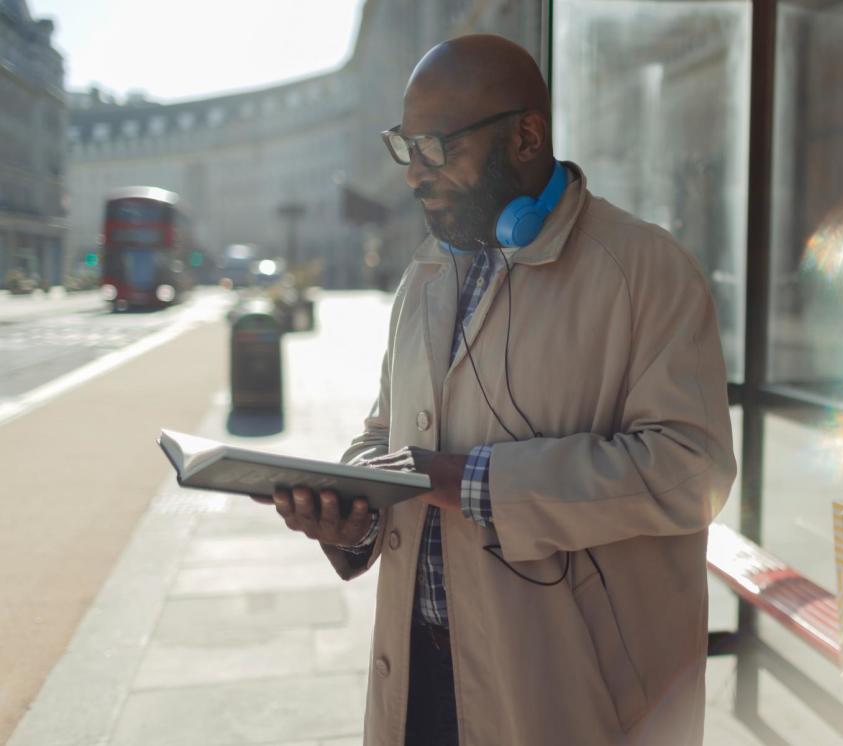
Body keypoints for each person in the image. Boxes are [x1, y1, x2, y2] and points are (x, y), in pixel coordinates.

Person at [251, 34, 735, 746]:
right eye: (405, 147)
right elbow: (387, 438)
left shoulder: (645, 269)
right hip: (420, 682)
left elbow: (692, 469)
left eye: (436, 148)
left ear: (526, 137)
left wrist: (468, 481)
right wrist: (351, 511)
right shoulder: (425, 275)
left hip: (568, 692)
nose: (414, 175)